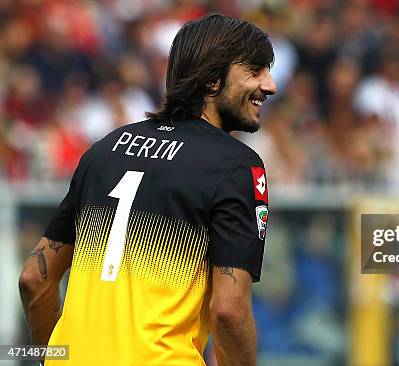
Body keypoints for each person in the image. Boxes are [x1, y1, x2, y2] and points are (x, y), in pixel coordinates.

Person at [18, 14, 276, 366]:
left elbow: (34, 279)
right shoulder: (236, 166)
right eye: (256, 71)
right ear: (213, 81)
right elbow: (229, 312)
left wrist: (52, 358)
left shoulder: (104, 149)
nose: (270, 85)